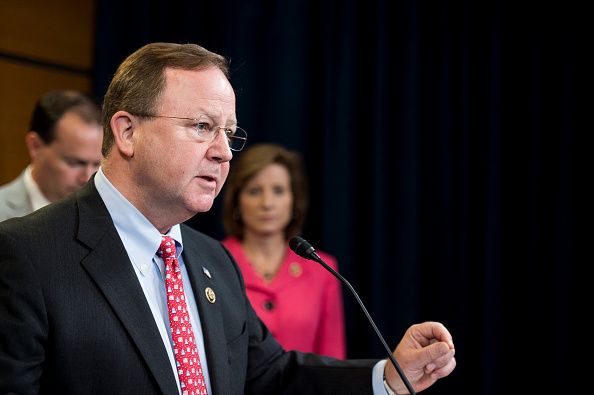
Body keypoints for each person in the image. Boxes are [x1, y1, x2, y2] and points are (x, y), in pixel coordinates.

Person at [0, 42, 455, 394]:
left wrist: (388, 377)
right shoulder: (25, 254)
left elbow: (267, 375)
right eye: (201, 127)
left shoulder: (212, 258)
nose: (222, 152)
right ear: (127, 132)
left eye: (229, 134)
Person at [221, 143, 346, 359]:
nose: (267, 203)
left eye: (278, 191)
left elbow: (332, 360)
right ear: (237, 201)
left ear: (294, 200)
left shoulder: (323, 269)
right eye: (254, 191)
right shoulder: (213, 262)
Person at [0, 90, 103, 221]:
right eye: (75, 163)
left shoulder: (107, 216)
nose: (88, 178)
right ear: (35, 146)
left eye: (97, 164)